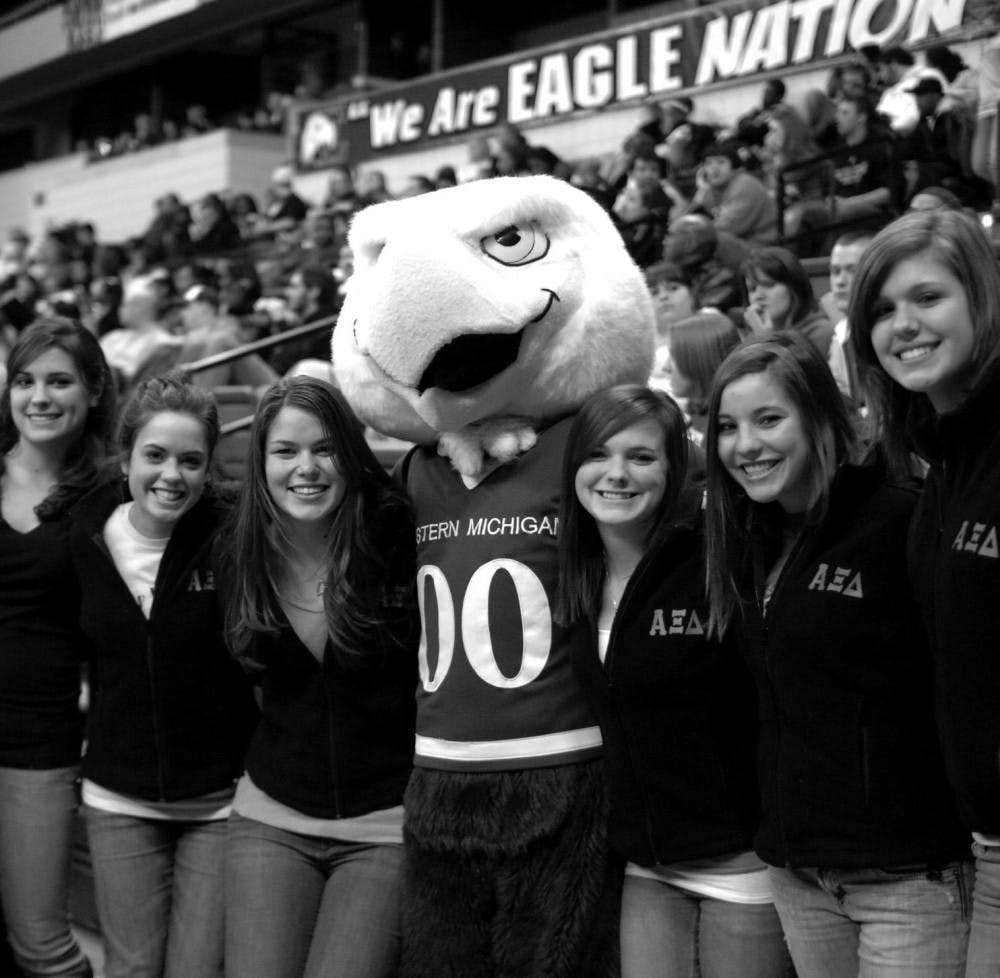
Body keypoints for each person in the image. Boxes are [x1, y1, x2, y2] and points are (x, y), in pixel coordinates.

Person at [703, 332, 971, 978]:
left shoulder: (899, 517)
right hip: (800, 878)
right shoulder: (747, 539)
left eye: (769, 419)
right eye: (729, 427)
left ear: (821, 415)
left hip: (907, 879)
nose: (747, 446)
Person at [555, 384, 788, 978]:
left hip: (742, 863)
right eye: (598, 455)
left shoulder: (716, 556)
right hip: (648, 867)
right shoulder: (578, 572)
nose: (616, 475)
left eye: (640, 457)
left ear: (674, 468)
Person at [222, 376, 418, 978]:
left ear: (352, 454)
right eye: (286, 451)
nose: (305, 468)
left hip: (387, 823)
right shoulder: (238, 547)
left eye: (324, 448)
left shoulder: (400, 533)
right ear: (262, 462)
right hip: (272, 813)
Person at [847, 210, 1000, 977]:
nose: (901, 325)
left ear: (983, 297)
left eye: (928, 298)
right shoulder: (939, 465)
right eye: (880, 309)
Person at [70, 374, 257, 978]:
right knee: (130, 969)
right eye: (155, 455)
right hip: (116, 798)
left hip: (218, 802)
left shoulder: (231, 539)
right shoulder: (83, 536)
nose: (171, 475)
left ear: (209, 470)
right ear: (126, 458)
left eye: (190, 460)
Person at [0, 319, 115, 978]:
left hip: (38, 743)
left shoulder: (110, 495)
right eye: (25, 381)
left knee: (41, 945)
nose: (39, 397)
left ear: (94, 390)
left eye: (59, 380)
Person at [742, 246, 834, 358]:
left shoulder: (821, 333)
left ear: (794, 287)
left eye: (769, 285)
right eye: (752, 289)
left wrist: (766, 340)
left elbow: (786, 374)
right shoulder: (753, 335)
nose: (758, 296)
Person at [665, 311, 740, 437]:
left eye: (673, 356)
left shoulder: (724, 430)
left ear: (699, 362)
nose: (665, 367)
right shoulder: (685, 415)